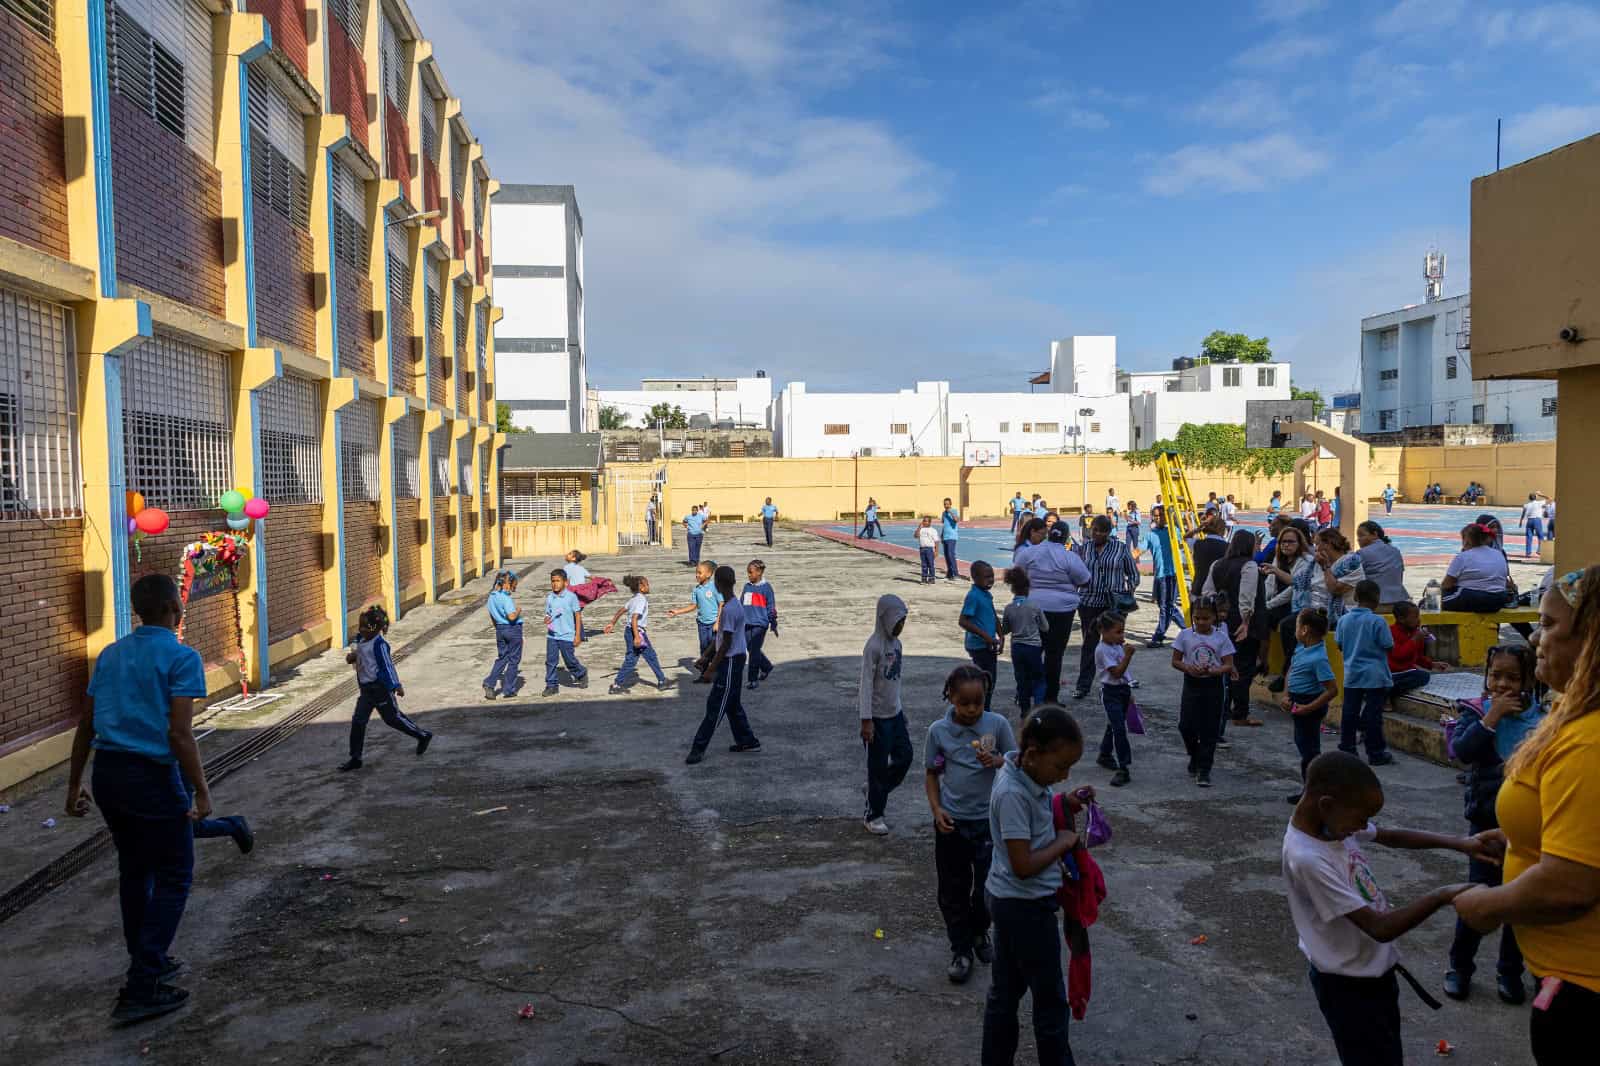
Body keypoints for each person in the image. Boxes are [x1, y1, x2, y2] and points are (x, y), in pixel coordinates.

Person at [1453, 567, 1600, 1064]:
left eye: (1550, 625)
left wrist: (1487, 907)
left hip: (1582, 989)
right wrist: (1523, 839)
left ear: (1591, 638)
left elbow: (1569, 886)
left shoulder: (1591, 743)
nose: (1536, 637)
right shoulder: (1576, 719)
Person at [62, 575, 216, 1021]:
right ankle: (142, 982)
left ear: (138, 610)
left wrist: (73, 785)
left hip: (109, 776)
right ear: (174, 608)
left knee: (134, 872)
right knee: (175, 874)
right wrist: (202, 791)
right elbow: (180, 734)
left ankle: (147, 960)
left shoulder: (110, 655)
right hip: (152, 775)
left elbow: (87, 725)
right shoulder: (182, 657)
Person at [1283, 752, 1485, 1066]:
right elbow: (1379, 928)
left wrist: (1461, 843)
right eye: (1360, 819)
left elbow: (1389, 836)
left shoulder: (1332, 824)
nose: (1363, 827)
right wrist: (1444, 894)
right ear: (1326, 804)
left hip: (1374, 974)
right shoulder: (1308, 858)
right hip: (1348, 989)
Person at [981, 706, 1086, 1066]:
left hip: (1010, 900)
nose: (1064, 775)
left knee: (1005, 993)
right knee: (1050, 1002)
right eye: (1060, 767)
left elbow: (1032, 817)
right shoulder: (1012, 792)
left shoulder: (1024, 774)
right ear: (1032, 755)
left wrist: (1064, 802)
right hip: (1024, 906)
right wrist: (1064, 841)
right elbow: (1023, 864)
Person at [1444, 644, 1541, 1004]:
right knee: (1479, 895)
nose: (1502, 684)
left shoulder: (1539, 719)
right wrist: (1492, 716)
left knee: (1517, 901)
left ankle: (1509, 972)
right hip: (1485, 825)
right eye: (1495, 675)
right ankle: (1459, 966)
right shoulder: (1475, 711)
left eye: (1512, 678)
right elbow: (1463, 752)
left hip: (1526, 830)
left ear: (1528, 680)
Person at [924, 665, 1017, 985]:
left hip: (990, 822)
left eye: (978, 702)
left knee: (989, 888)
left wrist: (999, 761)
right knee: (953, 889)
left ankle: (979, 932)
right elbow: (932, 774)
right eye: (965, 703)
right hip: (951, 823)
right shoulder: (938, 731)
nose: (972, 709)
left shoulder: (997, 724)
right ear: (950, 696)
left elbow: (1017, 759)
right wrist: (936, 809)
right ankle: (961, 949)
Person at [339, 603, 432, 771]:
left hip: (380, 688)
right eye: (360, 626)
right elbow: (357, 655)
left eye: (364, 628)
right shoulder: (360, 640)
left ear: (375, 629)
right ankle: (355, 757)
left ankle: (422, 735)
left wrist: (396, 685)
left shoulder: (379, 645)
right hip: (366, 690)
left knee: (392, 718)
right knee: (358, 721)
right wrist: (352, 656)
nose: (360, 630)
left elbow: (388, 666)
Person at [1011, 517, 1091, 705]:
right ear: (1066, 539)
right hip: (1062, 610)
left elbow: (1016, 575)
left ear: (1049, 534)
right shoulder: (1069, 557)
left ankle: (1024, 693)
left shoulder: (1029, 553)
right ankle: (1050, 697)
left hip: (1033, 605)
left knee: (1032, 650)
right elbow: (1085, 579)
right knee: (1054, 655)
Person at [686, 565, 760, 764]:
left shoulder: (729, 610)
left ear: (717, 584)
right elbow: (719, 639)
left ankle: (698, 748)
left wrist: (710, 669)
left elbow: (726, 644)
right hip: (733, 660)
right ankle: (747, 740)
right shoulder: (733, 605)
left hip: (731, 662)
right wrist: (706, 656)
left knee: (716, 706)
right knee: (732, 703)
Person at [1204, 529, 1267, 734]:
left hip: (1222, 622)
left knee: (1226, 664)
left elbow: (1208, 592)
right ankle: (1240, 713)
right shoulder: (1249, 566)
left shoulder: (1217, 564)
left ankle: (1225, 708)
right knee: (1243, 667)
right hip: (1243, 623)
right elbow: (1246, 598)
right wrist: (1246, 622)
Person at [859, 594, 911, 835]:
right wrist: (866, 720)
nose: (900, 627)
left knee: (905, 757)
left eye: (903, 622)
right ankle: (874, 814)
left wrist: (901, 710)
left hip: (895, 714)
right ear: (885, 619)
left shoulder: (897, 645)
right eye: (897, 621)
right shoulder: (874, 647)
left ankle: (875, 790)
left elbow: (896, 682)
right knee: (877, 767)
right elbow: (866, 685)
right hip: (877, 719)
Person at [1072, 515, 1139, 701]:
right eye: (1094, 530)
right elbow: (1077, 573)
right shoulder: (1084, 549)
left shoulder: (1120, 548)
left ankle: (1122, 679)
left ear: (1109, 532)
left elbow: (1132, 573)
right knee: (1089, 645)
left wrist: (1128, 594)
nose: (1097, 534)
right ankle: (1083, 685)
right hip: (1089, 603)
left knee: (1116, 643)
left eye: (1102, 531)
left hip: (1114, 605)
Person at [1172, 596, 1236, 788]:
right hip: (1192, 684)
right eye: (1197, 618)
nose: (1201, 622)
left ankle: (1204, 769)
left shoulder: (1221, 637)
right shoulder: (1184, 635)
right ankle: (1195, 754)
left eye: (1205, 618)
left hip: (1213, 685)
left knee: (1209, 729)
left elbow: (1228, 664)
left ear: (1214, 618)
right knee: (1186, 725)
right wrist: (1187, 668)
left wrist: (1216, 670)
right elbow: (1175, 660)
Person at [1336, 580, 1395, 766]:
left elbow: (1339, 644)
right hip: (1375, 675)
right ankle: (1375, 752)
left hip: (1352, 674)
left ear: (1355, 597)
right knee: (1373, 715)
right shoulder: (1378, 621)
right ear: (1377, 599)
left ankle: (1347, 748)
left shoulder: (1343, 620)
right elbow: (1388, 645)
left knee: (1349, 713)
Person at [1281, 607, 1337, 803]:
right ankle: (1311, 790)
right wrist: (1286, 694)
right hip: (1298, 702)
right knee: (1303, 745)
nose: (1294, 630)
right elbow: (1291, 670)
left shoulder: (1318, 658)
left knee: (1310, 753)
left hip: (1309, 705)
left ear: (1304, 629)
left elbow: (1332, 690)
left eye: (1297, 626)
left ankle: (1314, 792)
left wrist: (1308, 708)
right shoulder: (1302, 648)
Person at [1265, 525, 1324, 693]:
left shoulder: (1305, 561)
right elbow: (1270, 584)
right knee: (1259, 617)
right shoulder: (1279, 559)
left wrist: (1270, 604)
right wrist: (1265, 602)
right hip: (1283, 603)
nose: (1286, 545)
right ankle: (1261, 662)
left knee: (1288, 626)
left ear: (1299, 543)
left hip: (1299, 604)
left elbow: (1293, 589)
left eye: (1291, 542)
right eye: (1283, 542)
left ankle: (1286, 672)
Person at [603, 575, 670, 694]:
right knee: (647, 657)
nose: (649, 586)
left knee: (635, 659)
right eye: (647, 584)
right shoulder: (641, 600)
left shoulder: (633, 599)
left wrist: (612, 623)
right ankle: (661, 681)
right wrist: (637, 636)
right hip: (636, 632)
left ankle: (617, 684)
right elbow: (634, 619)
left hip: (629, 632)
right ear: (641, 587)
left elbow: (621, 610)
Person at [1093, 611, 1136, 787]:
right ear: (1103, 631)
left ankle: (1104, 754)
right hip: (1111, 692)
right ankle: (1123, 767)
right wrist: (1127, 656)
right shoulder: (1102, 650)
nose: (1122, 636)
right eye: (1118, 632)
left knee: (1113, 724)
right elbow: (1116, 673)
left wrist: (1130, 688)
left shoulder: (1116, 645)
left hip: (1123, 690)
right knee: (1119, 728)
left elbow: (1124, 674)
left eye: (1123, 631)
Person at [1000, 566, 1048, 720]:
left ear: (1013, 589)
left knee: (1021, 679)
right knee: (1039, 678)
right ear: (1028, 588)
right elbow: (1045, 627)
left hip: (1017, 647)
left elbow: (1005, 630)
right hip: (1033, 646)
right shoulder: (1034, 606)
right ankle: (1039, 706)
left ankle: (1024, 709)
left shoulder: (1008, 609)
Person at [960, 561, 1003, 713]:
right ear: (975, 577)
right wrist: (985, 636)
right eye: (986, 577)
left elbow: (993, 615)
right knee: (985, 680)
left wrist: (1001, 635)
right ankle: (982, 709)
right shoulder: (973, 596)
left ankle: (985, 708)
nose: (991, 580)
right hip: (979, 646)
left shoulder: (986, 594)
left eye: (992, 576)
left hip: (988, 644)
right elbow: (963, 621)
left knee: (990, 679)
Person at [1442, 524, 1514, 612]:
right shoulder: (1499, 554)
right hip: (1498, 600)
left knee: (1432, 601)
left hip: (1473, 599)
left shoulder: (1463, 557)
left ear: (1467, 540)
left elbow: (1447, 584)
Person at [541, 569, 588, 697]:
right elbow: (548, 613)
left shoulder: (571, 597)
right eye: (552, 581)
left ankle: (581, 673)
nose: (555, 584)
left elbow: (577, 616)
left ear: (565, 582)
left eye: (558, 581)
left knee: (569, 660)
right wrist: (546, 617)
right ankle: (551, 685)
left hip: (567, 635)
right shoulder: (550, 597)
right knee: (551, 661)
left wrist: (578, 635)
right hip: (552, 635)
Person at [1141, 505, 1179, 648]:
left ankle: (1158, 636)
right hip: (1159, 575)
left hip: (1171, 574)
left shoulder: (1174, 532)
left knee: (1165, 607)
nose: (1158, 518)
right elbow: (1139, 550)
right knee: (1167, 606)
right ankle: (1188, 628)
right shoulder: (1150, 534)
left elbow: (1186, 540)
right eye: (1155, 516)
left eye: (1161, 515)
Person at [482, 570, 524, 700]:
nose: (512, 589)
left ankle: (489, 683)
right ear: (506, 584)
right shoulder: (505, 598)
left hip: (500, 628)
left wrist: (498, 628)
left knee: (502, 657)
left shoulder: (492, 597)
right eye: (512, 586)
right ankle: (509, 690)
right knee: (513, 660)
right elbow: (511, 617)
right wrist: (518, 610)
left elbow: (492, 615)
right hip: (512, 629)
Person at [667, 560, 722, 656]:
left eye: (700, 573)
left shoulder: (714, 587)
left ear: (708, 574)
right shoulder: (696, 589)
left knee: (714, 647)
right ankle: (704, 668)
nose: (697, 575)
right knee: (704, 647)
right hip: (702, 624)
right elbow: (693, 606)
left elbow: (721, 604)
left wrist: (718, 622)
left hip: (713, 623)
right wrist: (677, 611)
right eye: (696, 572)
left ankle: (715, 669)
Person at [1387, 601, 1441, 699]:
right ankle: (1386, 694)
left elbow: (1417, 657)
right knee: (1420, 676)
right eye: (1415, 617)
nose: (1419, 620)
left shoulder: (1414, 633)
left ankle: (1387, 691)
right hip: (1391, 673)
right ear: (1401, 619)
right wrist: (1415, 639)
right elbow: (1398, 655)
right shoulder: (1390, 632)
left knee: (1423, 676)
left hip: (1406, 672)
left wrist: (1432, 664)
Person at [741, 559, 778, 690]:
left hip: (760, 625)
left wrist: (773, 622)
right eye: (748, 573)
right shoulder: (747, 587)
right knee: (750, 648)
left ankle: (752, 679)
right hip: (747, 623)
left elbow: (771, 607)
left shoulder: (767, 588)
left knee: (754, 652)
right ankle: (766, 666)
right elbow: (742, 604)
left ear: (759, 572)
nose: (749, 575)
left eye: (751, 572)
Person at [1315, 528, 1365, 621]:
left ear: (1328, 544)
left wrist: (1325, 567)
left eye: (1317, 544)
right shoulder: (1319, 562)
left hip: (1347, 615)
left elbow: (1335, 589)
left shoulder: (1351, 562)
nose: (1315, 548)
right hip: (1320, 610)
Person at [1356, 521, 1408, 610]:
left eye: (1362, 535)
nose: (1358, 539)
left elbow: (1350, 577)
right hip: (1400, 601)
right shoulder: (1395, 551)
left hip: (1376, 603)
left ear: (1375, 534)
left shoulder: (1362, 553)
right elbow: (1399, 575)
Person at [1187, 513, 1230, 614]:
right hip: (1217, 592)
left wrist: (1198, 529)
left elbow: (1186, 536)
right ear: (1222, 530)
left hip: (1198, 588)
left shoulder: (1197, 544)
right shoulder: (1228, 547)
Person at [1519, 493, 1546, 558]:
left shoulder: (1526, 505)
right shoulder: (1539, 503)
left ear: (1529, 498)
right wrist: (1540, 494)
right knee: (1540, 536)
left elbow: (1523, 513)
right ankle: (1539, 550)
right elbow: (1549, 498)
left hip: (1529, 521)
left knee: (1529, 537)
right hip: (1537, 520)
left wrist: (1521, 521)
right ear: (1535, 498)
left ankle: (1528, 553)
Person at [940, 498, 961, 580]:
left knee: (951, 555)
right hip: (945, 536)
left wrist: (950, 512)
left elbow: (956, 520)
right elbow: (944, 524)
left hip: (952, 536)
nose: (946, 505)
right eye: (945, 504)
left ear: (950, 504)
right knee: (946, 555)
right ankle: (949, 574)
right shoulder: (943, 513)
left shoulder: (954, 511)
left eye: (947, 504)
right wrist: (942, 535)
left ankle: (956, 574)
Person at [916, 515, 940, 583]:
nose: (924, 522)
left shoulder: (933, 530)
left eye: (925, 521)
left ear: (929, 522)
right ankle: (924, 578)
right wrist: (918, 528)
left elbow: (936, 541)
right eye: (923, 520)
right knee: (924, 565)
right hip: (922, 549)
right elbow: (916, 536)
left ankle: (932, 578)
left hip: (929, 549)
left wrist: (936, 551)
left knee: (930, 564)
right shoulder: (921, 529)